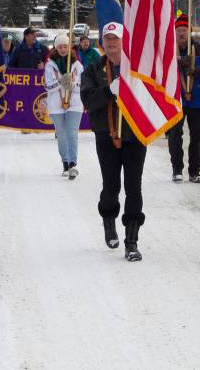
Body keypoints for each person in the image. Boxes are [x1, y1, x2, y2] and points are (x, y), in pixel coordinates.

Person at [80, 21, 146, 262]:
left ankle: (132, 241)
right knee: (111, 187)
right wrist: (110, 90)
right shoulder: (93, 69)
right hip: (106, 136)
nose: (111, 43)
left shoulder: (137, 68)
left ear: (123, 41)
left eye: (115, 39)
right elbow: (88, 100)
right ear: (102, 43)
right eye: (107, 39)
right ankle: (109, 220)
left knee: (133, 187)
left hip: (135, 134)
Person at [167, 14, 200, 183]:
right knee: (174, 136)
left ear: (190, 32)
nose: (182, 33)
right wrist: (178, 63)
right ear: (174, 32)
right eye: (179, 30)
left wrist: (195, 70)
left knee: (196, 138)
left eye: (184, 30)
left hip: (198, 100)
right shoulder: (169, 50)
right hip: (176, 100)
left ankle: (194, 172)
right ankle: (177, 170)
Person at [45, 33, 84, 178]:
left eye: (65, 46)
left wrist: (72, 84)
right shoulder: (50, 65)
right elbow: (47, 86)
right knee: (61, 135)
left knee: (72, 133)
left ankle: (73, 163)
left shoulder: (77, 65)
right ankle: (65, 162)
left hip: (74, 103)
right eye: (60, 47)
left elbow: (82, 84)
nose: (62, 49)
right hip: (57, 104)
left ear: (69, 47)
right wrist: (61, 82)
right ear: (56, 48)